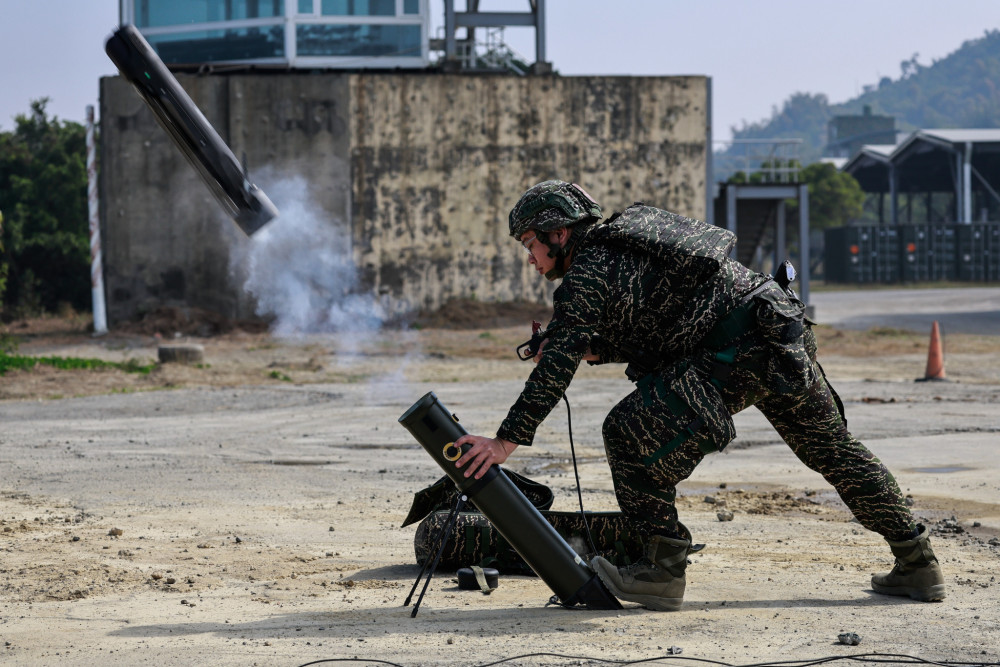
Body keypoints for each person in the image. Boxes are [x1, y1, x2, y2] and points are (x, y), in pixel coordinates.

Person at [454, 179, 946, 611]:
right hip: (777, 329)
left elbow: (556, 365)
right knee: (835, 451)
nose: (530, 257)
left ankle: (662, 571)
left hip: (736, 350)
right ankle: (918, 562)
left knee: (626, 433)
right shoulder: (622, 246)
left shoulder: (588, 271)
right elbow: (659, 326)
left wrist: (503, 443)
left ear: (559, 233)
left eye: (530, 244)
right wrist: (593, 350)